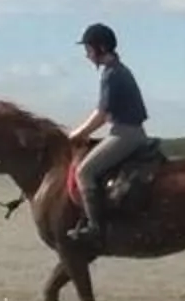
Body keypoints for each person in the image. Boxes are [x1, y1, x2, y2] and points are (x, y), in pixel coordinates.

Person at [65, 21, 153, 247]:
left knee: (84, 171)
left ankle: (95, 229)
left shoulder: (111, 74)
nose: (87, 55)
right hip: (131, 132)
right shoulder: (119, 70)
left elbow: (102, 114)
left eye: (88, 49)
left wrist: (78, 134)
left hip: (124, 134)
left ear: (100, 48)